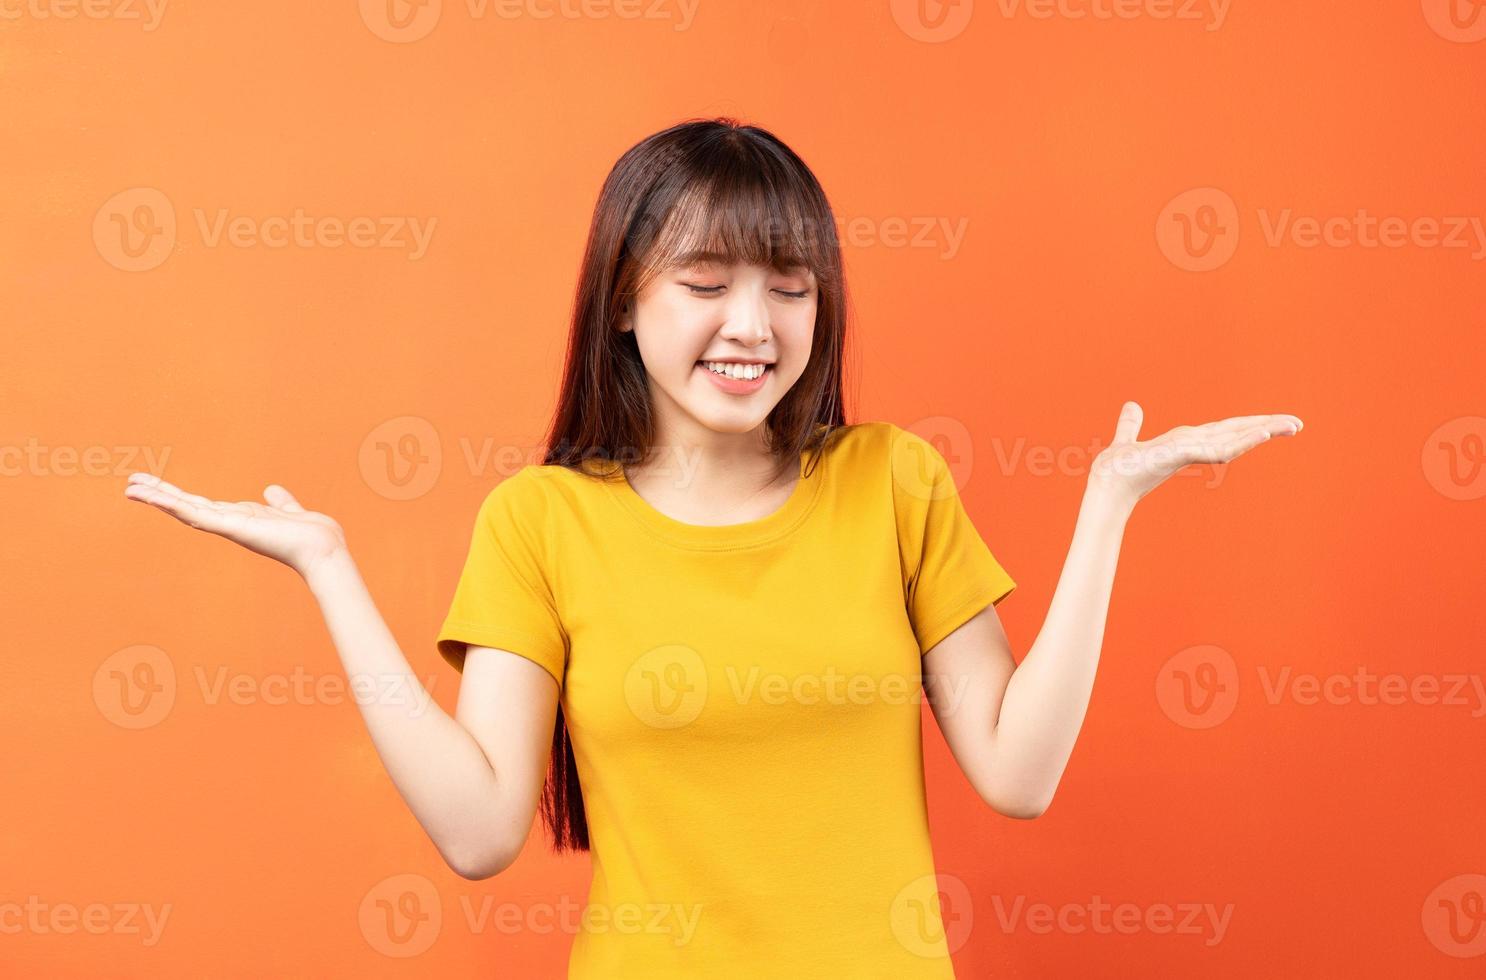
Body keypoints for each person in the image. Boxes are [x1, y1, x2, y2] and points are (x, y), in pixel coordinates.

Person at [122, 117, 1303, 977]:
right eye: (705, 281)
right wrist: (331, 567)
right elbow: (480, 831)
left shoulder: (890, 480)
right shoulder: (542, 520)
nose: (753, 324)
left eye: (790, 288)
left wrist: (1106, 507)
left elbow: (1018, 773)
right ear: (625, 304)